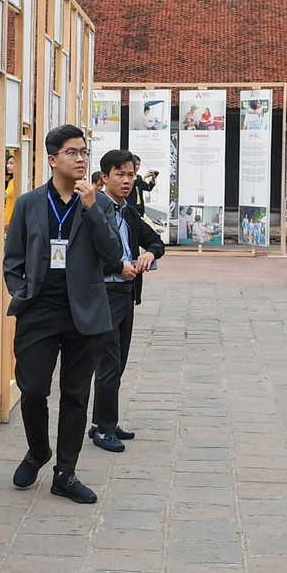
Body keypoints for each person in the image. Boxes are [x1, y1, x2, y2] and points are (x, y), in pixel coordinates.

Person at [4, 124, 122, 504]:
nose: (82, 159)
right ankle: (39, 451)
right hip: (39, 308)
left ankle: (65, 474)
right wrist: (23, 292)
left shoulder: (99, 202)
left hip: (84, 311)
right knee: (33, 388)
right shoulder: (28, 203)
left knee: (75, 394)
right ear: (52, 159)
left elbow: (113, 254)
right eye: (73, 152)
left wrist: (91, 209)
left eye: (84, 152)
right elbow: (12, 260)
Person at [90, 149, 164, 453]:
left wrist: (149, 253)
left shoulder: (130, 212)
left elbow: (156, 240)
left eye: (131, 174)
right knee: (108, 363)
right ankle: (104, 429)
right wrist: (117, 266)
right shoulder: (94, 209)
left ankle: (103, 421)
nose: (127, 180)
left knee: (118, 363)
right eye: (119, 174)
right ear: (104, 177)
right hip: (104, 293)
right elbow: (88, 253)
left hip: (126, 294)